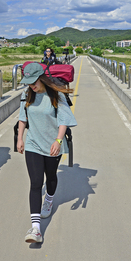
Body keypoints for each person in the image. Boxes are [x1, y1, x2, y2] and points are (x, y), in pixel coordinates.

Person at [16, 62, 77, 244]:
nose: (31, 86)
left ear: (41, 78)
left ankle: (49, 199)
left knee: (50, 176)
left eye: (33, 82)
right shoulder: (27, 94)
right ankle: (36, 229)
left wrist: (58, 140)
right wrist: (20, 138)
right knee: (35, 182)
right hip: (33, 143)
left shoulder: (56, 94)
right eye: (28, 82)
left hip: (52, 145)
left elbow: (64, 119)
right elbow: (22, 117)